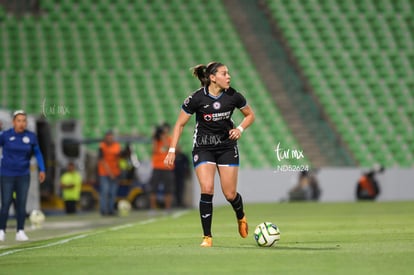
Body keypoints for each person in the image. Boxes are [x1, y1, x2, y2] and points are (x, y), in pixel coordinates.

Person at [164, 62, 255, 247]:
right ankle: (207, 237)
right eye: (224, 73)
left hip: (227, 147)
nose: (228, 76)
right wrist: (172, 150)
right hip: (203, 147)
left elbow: (250, 115)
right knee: (207, 188)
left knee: (229, 194)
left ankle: (240, 215)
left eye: (228, 73)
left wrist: (239, 129)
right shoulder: (196, 98)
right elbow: (179, 124)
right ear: (213, 77)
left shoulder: (233, 96)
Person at [0, 110, 46, 241]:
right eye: (19, 120)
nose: (21, 123)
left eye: (24, 121)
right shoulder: (5, 135)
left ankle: (20, 231)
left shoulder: (31, 137)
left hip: (23, 174)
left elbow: (38, 153)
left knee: (21, 203)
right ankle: (1, 230)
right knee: (6, 202)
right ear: (14, 122)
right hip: (6, 174)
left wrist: (42, 169)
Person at [149, 124, 175, 213]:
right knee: (153, 189)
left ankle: (167, 208)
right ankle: (153, 208)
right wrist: (156, 139)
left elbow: (170, 148)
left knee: (168, 189)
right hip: (157, 167)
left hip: (167, 167)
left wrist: (164, 138)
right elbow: (154, 150)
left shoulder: (170, 139)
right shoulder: (156, 140)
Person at [98, 130, 121, 216]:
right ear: (105, 138)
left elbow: (119, 157)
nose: (110, 138)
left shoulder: (116, 145)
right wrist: (110, 173)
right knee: (105, 191)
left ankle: (111, 210)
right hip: (104, 172)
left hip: (115, 173)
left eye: (111, 137)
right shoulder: (102, 146)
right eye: (108, 137)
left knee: (113, 192)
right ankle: (103, 210)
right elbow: (102, 160)